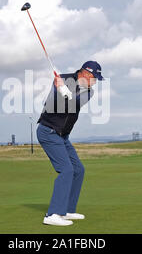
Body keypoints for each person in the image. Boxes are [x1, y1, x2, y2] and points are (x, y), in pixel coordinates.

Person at [37, 61, 104, 226]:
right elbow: (50, 106)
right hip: (48, 131)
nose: (95, 82)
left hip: (63, 136)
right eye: (94, 78)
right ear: (86, 74)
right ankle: (52, 214)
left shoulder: (90, 92)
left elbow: (74, 106)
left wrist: (65, 93)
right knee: (66, 170)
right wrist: (59, 89)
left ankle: (66, 210)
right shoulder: (63, 79)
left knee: (78, 170)